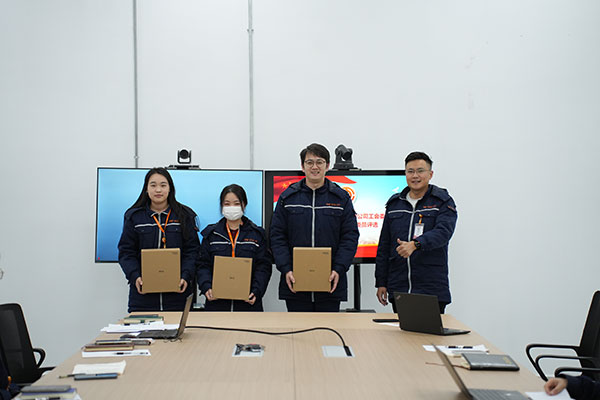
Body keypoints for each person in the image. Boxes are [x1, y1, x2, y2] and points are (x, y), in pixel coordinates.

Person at [270, 143, 359, 312]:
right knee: (298, 328)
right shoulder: (288, 198)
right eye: (309, 162)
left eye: (319, 162)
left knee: (327, 328)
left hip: (330, 281)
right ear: (302, 166)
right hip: (295, 282)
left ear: (327, 165)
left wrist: (339, 269)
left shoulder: (341, 198)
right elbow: (277, 236)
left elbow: (350, 236)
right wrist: (286, 269)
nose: (314, 167)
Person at [375, 151, 457, 314]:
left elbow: (443, 233)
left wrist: (416, 244)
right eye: (410, 171)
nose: (415, 176)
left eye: (420, 171)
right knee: (402, 330)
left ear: (430, 174)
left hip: (431, 287)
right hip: (400, 287)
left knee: (429, 331)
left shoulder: (442, 201)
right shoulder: (394, 204)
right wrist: (381, 282)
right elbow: (384, 245)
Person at [118, 167, 201, 312]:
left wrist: (185, 276)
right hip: (143, 297)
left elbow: (192, 251)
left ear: (170, 189)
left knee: (179, 327)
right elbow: (126, 252)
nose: (158, 190)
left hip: (178, 296)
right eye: (153, 185)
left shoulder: (184, 215)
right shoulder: (134, 217)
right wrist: (135, 276)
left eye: (163, 185)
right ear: (146, 189)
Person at [197, 184, 272, 311]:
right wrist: (206, 286)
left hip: (248, 303)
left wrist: (256, 291)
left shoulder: (257, 234)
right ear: (221, 206)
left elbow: (263, 267)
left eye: (236, 203)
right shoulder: (211, 235)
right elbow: (202, 265)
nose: (231, 207)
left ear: (244, 205)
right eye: (227, 204)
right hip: (216, 303)